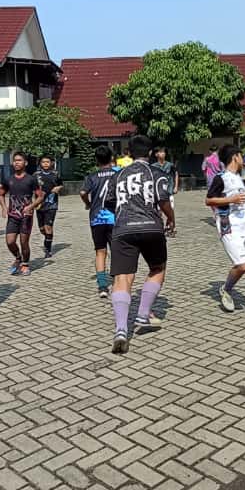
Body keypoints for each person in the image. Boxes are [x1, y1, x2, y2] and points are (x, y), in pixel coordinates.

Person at [104, 134, 175, 354]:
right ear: (151, 153)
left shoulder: (117, 175)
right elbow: (163, 199)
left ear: (129, 153)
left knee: (122, 278)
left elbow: (108, 202)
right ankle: (143, 314)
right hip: (151, 227)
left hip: (123, 229)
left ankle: (121, 330)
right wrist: (171, 218)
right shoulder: (156, 173)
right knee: (157, 268)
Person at [205, 145, 245, 318]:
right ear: (235, 157)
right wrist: (230, 199)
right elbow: (208, 200)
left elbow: (239, 199)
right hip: (229, 226)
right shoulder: (221, 178)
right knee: (242, 265)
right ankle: (226, 289)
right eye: (242, 156)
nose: (243, 160)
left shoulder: (239, 178)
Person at [80, 145, 117, 298]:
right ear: (111, 158)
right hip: (115, 218)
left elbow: (83, 192)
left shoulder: (92, 176)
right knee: (117, 250)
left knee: (100, 251)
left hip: (96, 218)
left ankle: (102, 286)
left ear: (96, 160)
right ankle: (118, 281)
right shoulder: (118, 174)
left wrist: (88, 203)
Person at [0, 152, 43, 276]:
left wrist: (31, 206)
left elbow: (40, 196)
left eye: (19, 160)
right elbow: (1, 194)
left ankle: (25, 264)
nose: (16, 163)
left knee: (24, 242)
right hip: (13, 216)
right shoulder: (8, 179)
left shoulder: (31, 179)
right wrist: (4, 208)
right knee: (10, 241)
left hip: (26, 216)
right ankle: (18, 257)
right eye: (15, 160)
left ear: (25, 163)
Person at [34, 154, 64, 259]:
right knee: (42, 228)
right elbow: (31, 187)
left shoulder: (55, 174)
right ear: (40, 163)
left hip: (52, 204)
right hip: (39, 205)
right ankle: (48, 237)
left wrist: (58, 188)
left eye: (47, 162)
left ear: (51, 163)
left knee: (48, 227)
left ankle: (48, 249)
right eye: (43, 162)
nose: (45, 164)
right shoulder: (36, 175)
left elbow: (61, 184)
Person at [153, 146, 179, 212]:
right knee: (159, 211)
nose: (163, 154)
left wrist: (176, 187)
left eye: (163, 152)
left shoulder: (170, 165)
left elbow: (176, 174)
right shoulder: (153, 166)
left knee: (171, 209)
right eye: (160, 152)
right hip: (158, 192)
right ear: (156, 154)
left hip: (169, 190)